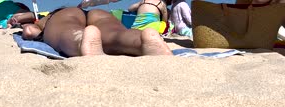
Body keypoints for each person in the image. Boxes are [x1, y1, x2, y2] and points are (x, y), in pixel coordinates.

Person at [9, 7, 172, 57]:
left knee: (67, 28)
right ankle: (140, 40)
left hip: (66, 13)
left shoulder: (44, 17)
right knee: (114, 31)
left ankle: (81, 41)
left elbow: (30, 31)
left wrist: (27, 28)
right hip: (96, 11)